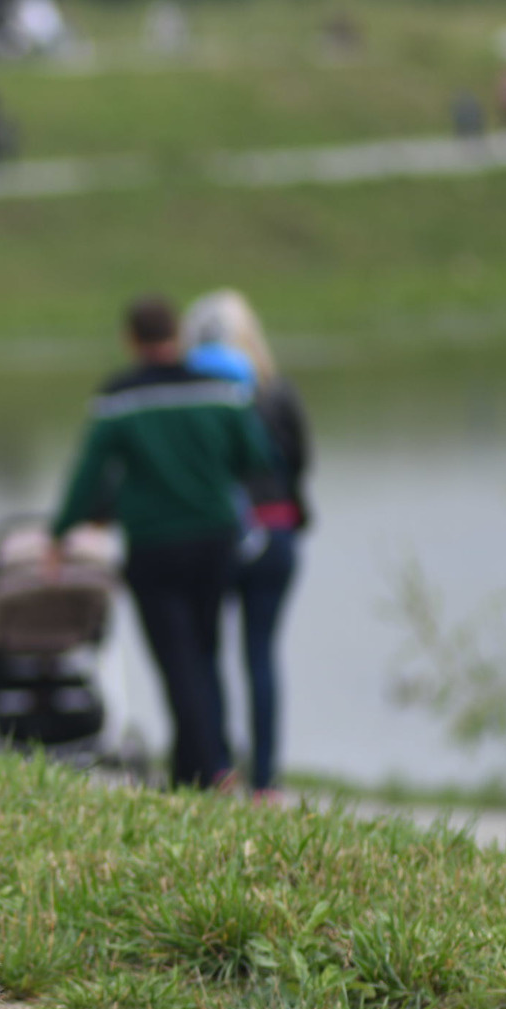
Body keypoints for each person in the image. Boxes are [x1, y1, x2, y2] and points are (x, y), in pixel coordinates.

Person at [49, 293, 274, 789]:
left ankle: (204, 770)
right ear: (178, 335)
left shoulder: (120, 398)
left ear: (130, 339)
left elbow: (89, 474)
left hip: (155, 546)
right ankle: (210, 761)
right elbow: (256, 455)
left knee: (175, 658)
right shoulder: (219, 391)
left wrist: (60, 531)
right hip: (215, 540)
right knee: (207, 649)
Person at [183, 289, 313, 798]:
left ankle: (218, 770)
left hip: (214, 535)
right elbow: (300, 462)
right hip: (277, 533)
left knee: (207, 652)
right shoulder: (276, 391)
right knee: (260, 655)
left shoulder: (195, 395)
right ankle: (266, 781)